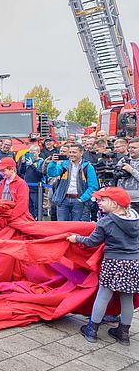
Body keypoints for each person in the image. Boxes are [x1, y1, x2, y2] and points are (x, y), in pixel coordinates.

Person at [67, 187, 139, 345]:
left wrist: (76, 238)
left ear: (114, 203)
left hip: (113, 262)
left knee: (103, 295)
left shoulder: (106, 221)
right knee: (127, 298)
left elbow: (92, 242)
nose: (98, 202)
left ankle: (92, 330)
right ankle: (124, 334)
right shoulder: (136, 218)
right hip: (133, 263)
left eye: (102, 200)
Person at [47, 144, 99, 221]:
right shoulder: (64, 164)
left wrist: (82, 199)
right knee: (62, 226)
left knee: (77, 227)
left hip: (79, 200)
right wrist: (53, 163)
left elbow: (93, 186)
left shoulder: (88, 167)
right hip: (63, 199)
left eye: (74, 152)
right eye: (70, 152)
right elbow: (52, 173)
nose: (71, 154)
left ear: (81, 153)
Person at [18, 144, 44, 219]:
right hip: (27, 187)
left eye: (33, 152)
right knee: (29, 206)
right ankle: (30, 219)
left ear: (38, 152)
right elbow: (22, 172)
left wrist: (32, 165)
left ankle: (38, 220)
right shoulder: (28, 161)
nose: (32, 154)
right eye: (30, 152)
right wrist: (23, 163)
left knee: (37, 206)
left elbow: (40, 174)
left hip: (36, 188)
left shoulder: (41, 161)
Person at [115, 138, 139, 213]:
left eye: (134, 148)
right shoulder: (123, 160)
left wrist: (131, 170)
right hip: (122, 200)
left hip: (137, 201)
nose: (131, 150)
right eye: (130, 147)